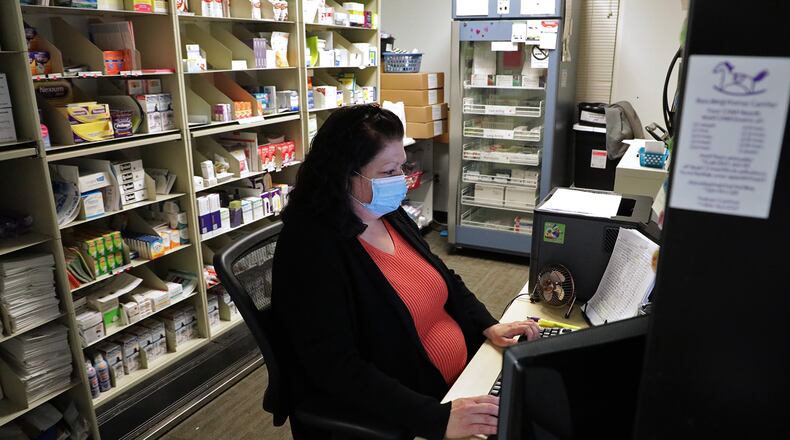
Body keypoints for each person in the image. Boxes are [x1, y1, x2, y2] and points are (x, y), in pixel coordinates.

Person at [272, 104, 540, 440]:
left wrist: (488, 325)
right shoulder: (311, 247)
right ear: (344, 174)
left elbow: (446, 279)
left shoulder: (386, 214)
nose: (401, 180)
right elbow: (336, 368)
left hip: (464, 374)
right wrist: (436, 419)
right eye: (387, 172)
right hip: (416, 406)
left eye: (402, 167)